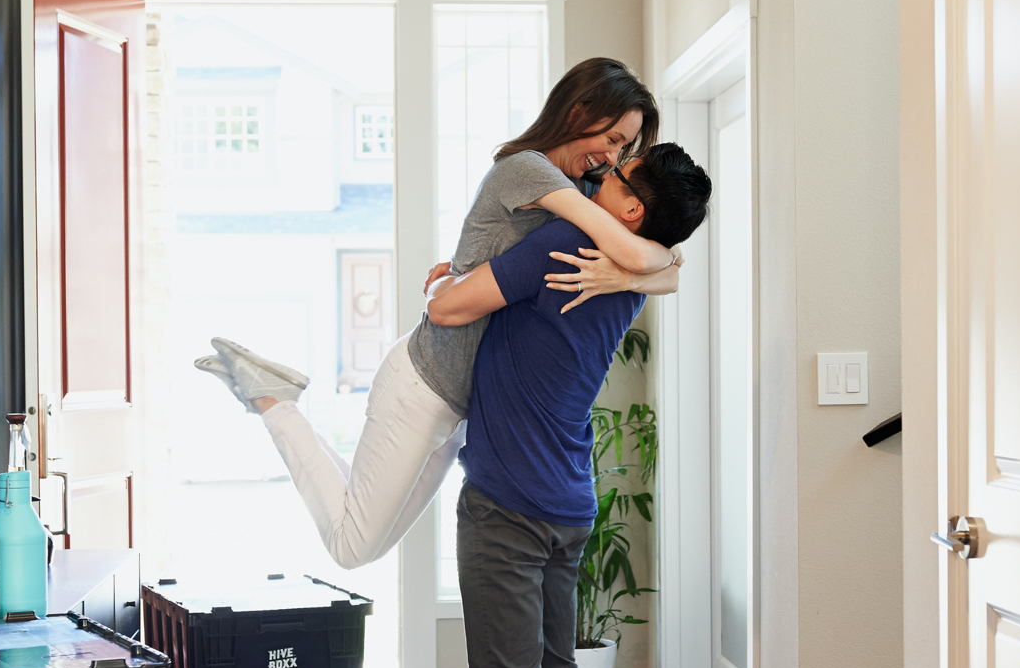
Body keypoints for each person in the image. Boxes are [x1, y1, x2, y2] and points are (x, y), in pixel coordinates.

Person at [197, 58, 682, 569]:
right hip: (424, 384)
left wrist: (631, 275)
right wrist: (637, 265)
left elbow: (671, 268)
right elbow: (639, 248)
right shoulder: (527, 171)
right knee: (350, 548)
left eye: (624, 148)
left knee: (367, 538)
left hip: (460, 412)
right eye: (613, 138)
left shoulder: (584, 188)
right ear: (579, 109)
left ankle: (274, 392)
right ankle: (273, 400)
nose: (612, 156)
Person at [425, 142, 711, 668]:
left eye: (618, 172)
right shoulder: (632, 270)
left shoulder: (566, 246)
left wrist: (442, 285)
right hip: (568, 503)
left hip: (509, 503)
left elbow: (448, 312)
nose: (602, 171)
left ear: (632, 210)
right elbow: (667, 264)